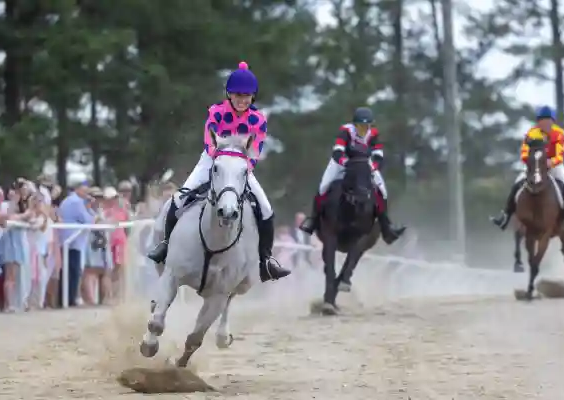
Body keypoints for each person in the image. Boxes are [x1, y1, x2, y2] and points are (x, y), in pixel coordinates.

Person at [145, 61, 290, 282]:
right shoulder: (216, 112)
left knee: (266, 209)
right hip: (212, 162)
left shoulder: (258, 120)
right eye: (237, 95)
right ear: (229, 95)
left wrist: (239, 169)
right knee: (179, 198)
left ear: (253, 97)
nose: (242, 100)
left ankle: (266, 261)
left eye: (247, 96)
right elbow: (209, 143)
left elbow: (255, 152)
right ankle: (165, 245)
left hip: (240, 166)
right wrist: (222, 163)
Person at [298, 107, 406, 244]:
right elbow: (337, 153)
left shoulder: (373, 133)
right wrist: (346, 164)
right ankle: (313, 220)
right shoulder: (346, 131)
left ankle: (387, 227)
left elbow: (378, 155)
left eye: (366, 126)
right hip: (341, 162)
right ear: (355, 125)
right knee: (323, 187)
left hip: (364, 165)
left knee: (382, 192)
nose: (363, 129)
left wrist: (372, 167)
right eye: (360, 126)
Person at [490, 106, 564, 231]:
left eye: (548, 120)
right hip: (534, 165)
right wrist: (531, 162)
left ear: (553, 121)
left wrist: (550, 162)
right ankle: (505, 216)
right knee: (516, 184)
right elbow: (525, 152)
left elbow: (559, 155)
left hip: (553, 165)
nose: (545, 123)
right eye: (542, 120)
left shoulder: (559, 134)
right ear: (538, 121)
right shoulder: (532, 133)